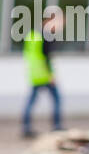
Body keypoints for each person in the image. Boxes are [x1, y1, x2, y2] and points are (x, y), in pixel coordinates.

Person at [22, 9, 63, 137]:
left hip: (34, 73)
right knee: (57, 99)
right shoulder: (47, 35)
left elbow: (29, 54)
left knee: (31, 100)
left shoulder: (33, 34)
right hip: (44, 73)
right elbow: (46, 57)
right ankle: (57, 126)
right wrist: (51, 74)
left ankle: (26, 127)